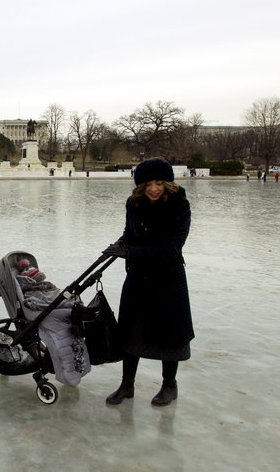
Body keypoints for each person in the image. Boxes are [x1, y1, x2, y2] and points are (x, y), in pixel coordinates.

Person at [101, 157, 193, 407]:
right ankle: (127, 385)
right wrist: (119, 245)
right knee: (130, 331)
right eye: (148, 183)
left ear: (168, 184)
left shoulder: (179, 207)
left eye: (159, 182)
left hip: (167, 279)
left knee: (169, 335)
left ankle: (169, 385)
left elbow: (170, 250)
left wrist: (130, 253)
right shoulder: (134, 203)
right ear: (140, 186)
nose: (154, 188)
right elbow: (130, 233)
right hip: (138, 278)